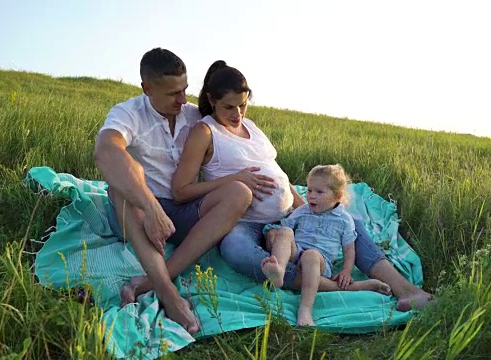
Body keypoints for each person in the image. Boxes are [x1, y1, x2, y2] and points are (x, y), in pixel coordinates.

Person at [178, 60, 432, 314]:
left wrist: (306, 209)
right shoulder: (205, 131)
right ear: (211, 100)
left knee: (350, 223)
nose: (238, 114)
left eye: (243, 105)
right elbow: (182, 189)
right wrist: (236, 180)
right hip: (244, 221)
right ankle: (337, 286)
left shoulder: (251, 127)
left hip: (289, 216)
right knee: (235, 251)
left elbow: (278, 176)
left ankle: (407, 291)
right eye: (229, 107)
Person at [94, 48, 270, 335]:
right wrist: (151, 209)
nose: (182, 100)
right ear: (147, 89)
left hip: (183, 212)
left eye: (185, 89)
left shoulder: (193, 116)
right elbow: (105, 151)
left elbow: (239, 136)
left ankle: (155, 278)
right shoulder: (129, 113)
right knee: (119, 187)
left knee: (239, 192)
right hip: (140, 214)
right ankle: (168, 293)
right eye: (173, 93)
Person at [261, 164, 391, 326]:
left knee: (312, 255)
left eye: (319, 192)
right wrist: (274, 234)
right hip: (297, 253)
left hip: (320, 263)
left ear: (337, 196)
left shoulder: (343, 220)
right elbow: (285, 229)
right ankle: (278, 271)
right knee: (285, 231)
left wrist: (346, 271)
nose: (311, 196)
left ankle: (305, 310)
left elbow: (349, 249)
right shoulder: (302, 211)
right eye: (309, 190)